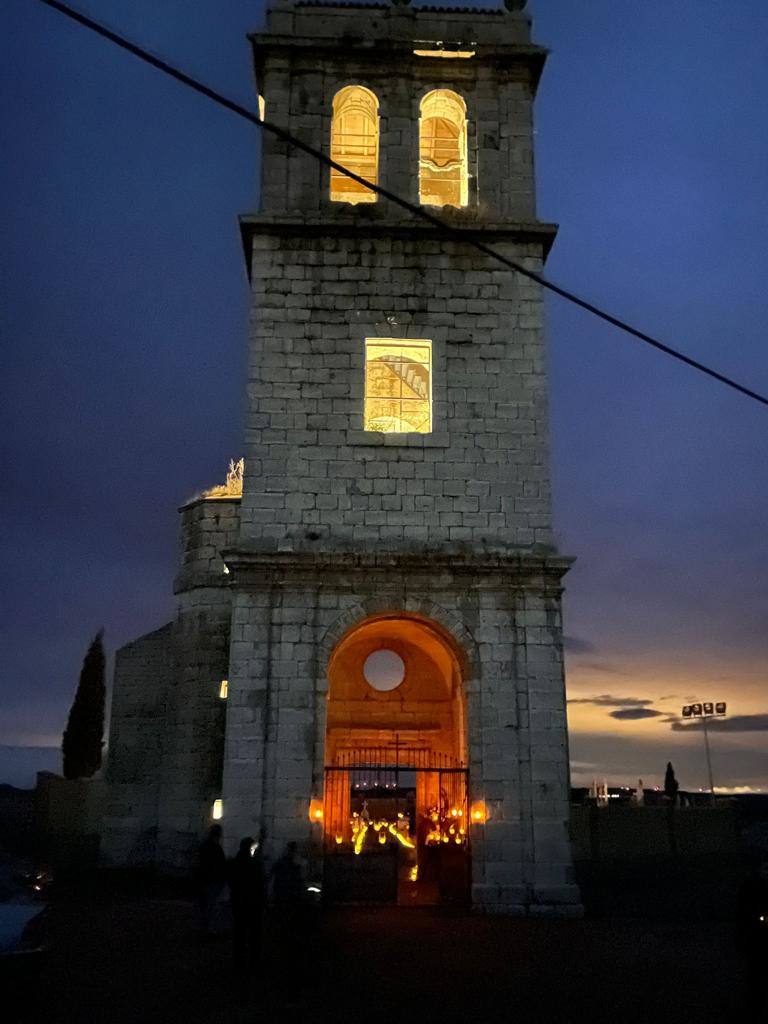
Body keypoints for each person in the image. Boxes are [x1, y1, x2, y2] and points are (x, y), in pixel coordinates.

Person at [229, 835, 267, 977]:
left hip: (239, 903)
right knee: (254, 934)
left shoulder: (236, 862)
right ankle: (254, 962)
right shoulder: (253, 864)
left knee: (240, 934)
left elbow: (232, 882)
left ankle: (239, 961)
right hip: (252, 904)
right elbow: (260, 883)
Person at [736, 857, 768, 1013]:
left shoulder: (751, 886)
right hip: (756, 936)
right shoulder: (751, 887)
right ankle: (755, 1004)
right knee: (756, 971)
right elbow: (743, 913)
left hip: (756, 934)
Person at [196, 823, 227, 937]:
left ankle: (204, 927)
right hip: (213, 879)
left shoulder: (204, 846)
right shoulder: (215, 847)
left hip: (204, 878)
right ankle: (210, 929)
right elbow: (220, 863)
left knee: (205, 905)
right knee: (211, 904)